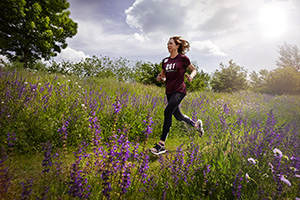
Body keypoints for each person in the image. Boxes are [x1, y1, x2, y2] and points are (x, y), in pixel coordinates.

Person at [150, 36, 204, 155]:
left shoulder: (183, 59)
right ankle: (196, 125)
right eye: (168, 44)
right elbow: (163, 76)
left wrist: (191, 76)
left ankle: (161, 145)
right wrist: (160, 78)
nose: (168, 46)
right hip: (169, 91)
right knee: (178, 116)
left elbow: (194, 70)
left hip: (179, 90)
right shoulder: (165, 61)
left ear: (177, 46)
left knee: (167, 112)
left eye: (171, 43)